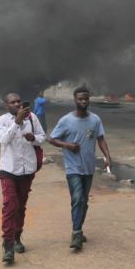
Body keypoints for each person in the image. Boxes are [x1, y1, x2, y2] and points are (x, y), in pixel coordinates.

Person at [50, 87, 112, 250]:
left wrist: (107, 157)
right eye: (80, 99)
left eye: (85, 98)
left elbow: (101, 139)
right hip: (73, 167)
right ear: (75, 101)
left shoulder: (95, 119)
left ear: (88, 100)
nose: (83, 101)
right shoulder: (66, 120)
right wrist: (67, 145)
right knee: (77, 198)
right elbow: (52, 139)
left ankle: (79, 229)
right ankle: (76, 233)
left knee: (83, 202)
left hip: (88, 167)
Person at [0, 93, 46, 263]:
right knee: (10, 206)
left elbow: (43, 138)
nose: (17, 104)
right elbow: (4, 139)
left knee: (21, 206)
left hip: (27, 170)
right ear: (6, 106)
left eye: (19, 101)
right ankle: (8, 245)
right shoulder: (1, 121)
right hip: (9, 169)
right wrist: (17, 121)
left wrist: (34, 138)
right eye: (13, 102)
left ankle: (17, 237)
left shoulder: (33, 119)